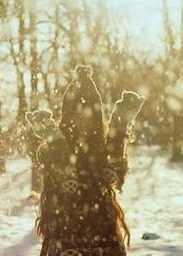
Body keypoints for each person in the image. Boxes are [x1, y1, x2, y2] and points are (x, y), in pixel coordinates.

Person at [36, 65, 129, 256]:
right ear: (68, 116)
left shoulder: (99, 150)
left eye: (89, 114)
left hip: (103, 238)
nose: (82, 120)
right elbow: (62, 183)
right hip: (64, 238)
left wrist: (119, 126)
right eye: (76, 114)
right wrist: (55, 143)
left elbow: (111, 174)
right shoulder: (57, 150)